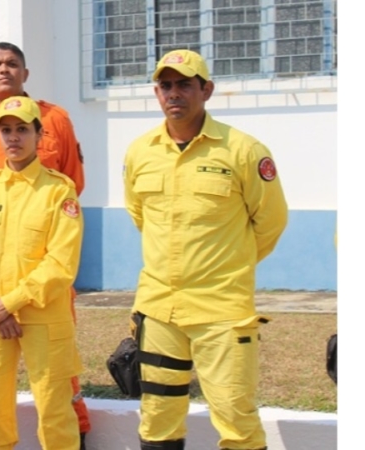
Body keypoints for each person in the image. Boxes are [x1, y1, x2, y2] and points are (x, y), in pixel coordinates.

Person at [122, 49, 288, 450]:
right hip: (160, 309)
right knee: (158, 418)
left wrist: (227, 264)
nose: (173, 93)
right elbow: (141, 216)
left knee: (236, 417)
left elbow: (270, 222)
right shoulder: (140, 152)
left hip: (221, 311)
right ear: (157, 92)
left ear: (206, 90)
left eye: (184, 84)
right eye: (165, 85)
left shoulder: (244, 150)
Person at [0, 41, 90, 449]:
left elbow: (62, 260)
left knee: (55, 403)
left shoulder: (57, 188)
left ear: (39, 133)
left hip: (42, 310)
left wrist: (10, 301)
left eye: (22, 129)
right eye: (6, 130)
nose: (13, 137)